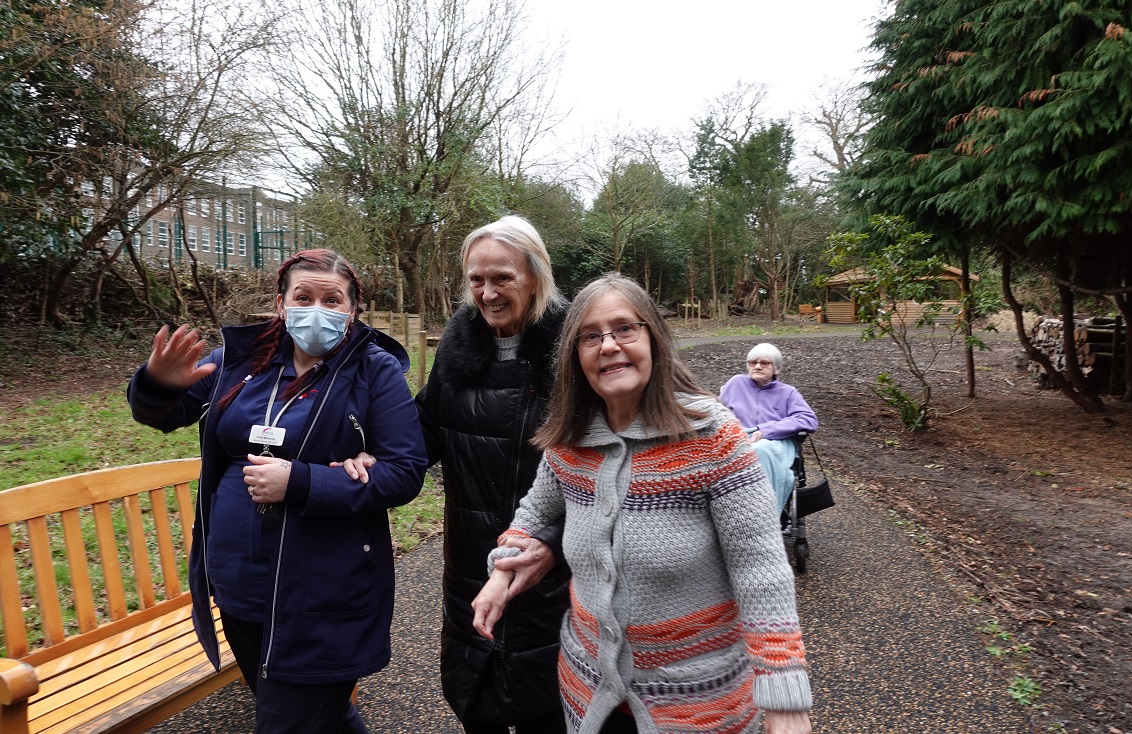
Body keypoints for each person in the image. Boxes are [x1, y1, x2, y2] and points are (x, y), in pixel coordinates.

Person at [473, 273, 813, 734]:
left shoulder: (713, 437)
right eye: (590, 336)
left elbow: (760, 567)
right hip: (588, 691)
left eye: (624, 329)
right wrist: (504, 567)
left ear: (653, 337)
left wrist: (784, 700)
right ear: (575, 356)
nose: (608, 345)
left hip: (698, 702)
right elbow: (533, 514)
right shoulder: (571, 441)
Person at [127, 249, 427, 734]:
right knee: (314, 715)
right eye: (303, 296)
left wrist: (301, 481)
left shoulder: (374, 370)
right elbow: (165, 413)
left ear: (353, 310)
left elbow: (405, 470)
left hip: (323, 594)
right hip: (240, 587)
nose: (317, 309)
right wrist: (157, 385)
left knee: (288, 722)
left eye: (333, 300)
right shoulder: (243, 361)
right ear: (282, 304)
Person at [415, 215, 571, 734]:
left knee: (553, 705)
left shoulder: (575, 352)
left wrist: (552, 539)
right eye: (476, 280)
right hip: (470, 568)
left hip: (557, 571)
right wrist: (361, 454)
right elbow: (421, 435)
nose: (487, 292)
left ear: (536, 276)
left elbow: (616, 461)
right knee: (477, 699)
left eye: (502, 277)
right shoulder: (456, 350)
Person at [718, 343, 818, 515]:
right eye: (752, 362)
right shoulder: (736, 384)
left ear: (776, 368)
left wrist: (766, 430)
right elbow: (717, 411)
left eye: (764, 363)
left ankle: (763, 513)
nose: (757, 366)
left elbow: (808, 419)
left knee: (759, 449)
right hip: (738, 439)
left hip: (775, 442)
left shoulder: (788, 393)